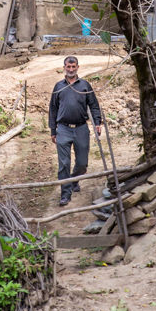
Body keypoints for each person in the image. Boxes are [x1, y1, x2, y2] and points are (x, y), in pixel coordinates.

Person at [48, 56, 102, 206]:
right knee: (64, 163)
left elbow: (94, 105)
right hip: (63, 129)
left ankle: (74, 179)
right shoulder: (59, 86)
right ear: (64, 67)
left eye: (73, 67)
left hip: (81, 128)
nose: (71, 69)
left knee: (82, 163)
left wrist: (97, 122)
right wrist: (53, 130)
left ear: (78, 67)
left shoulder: (85, 85)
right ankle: (65, 194)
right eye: (68, 67)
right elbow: (53, 109)